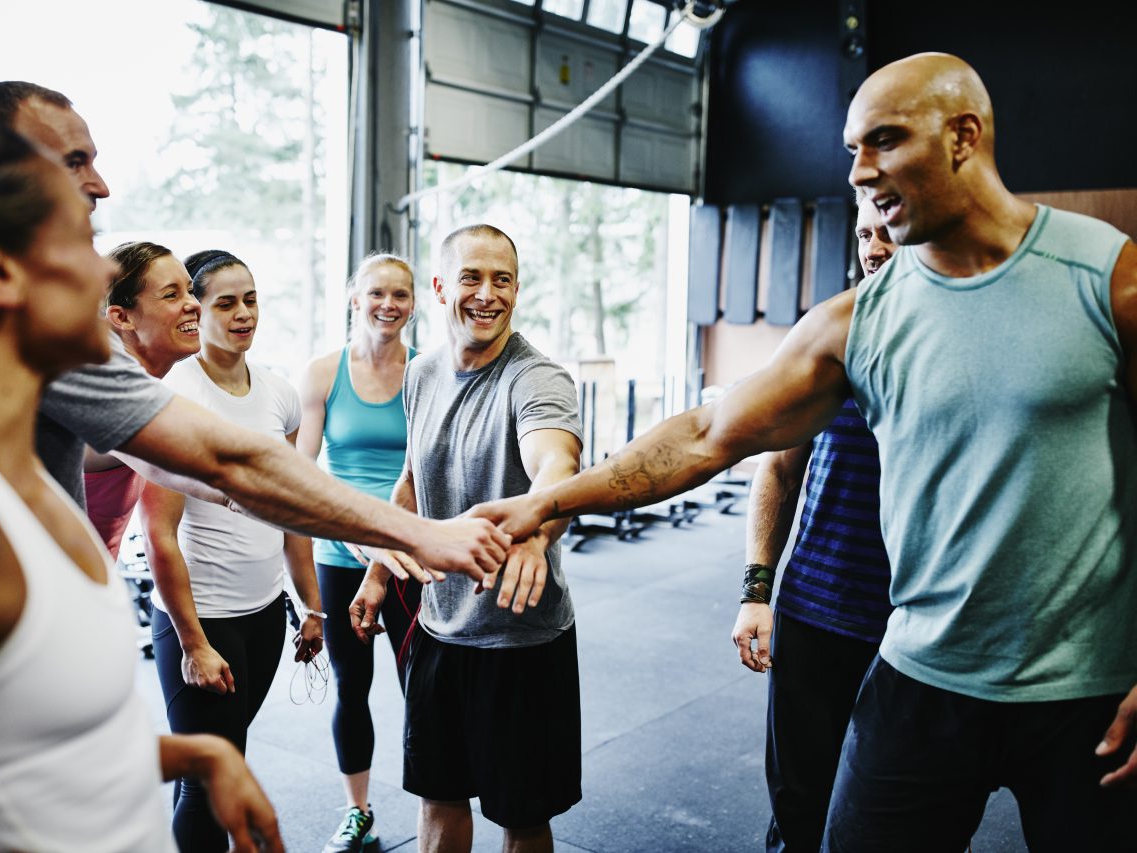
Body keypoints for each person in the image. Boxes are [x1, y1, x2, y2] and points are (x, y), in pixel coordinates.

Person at [471, 53, 1137, 850]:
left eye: (882, 142)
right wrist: (549, 501)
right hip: (921, 675)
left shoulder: (1106, 278)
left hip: (1085, 693)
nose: (859, 173)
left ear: (965, 136)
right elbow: (708, 435)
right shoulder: (856, 322)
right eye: (852, 149)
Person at [0, 80, 511, 579]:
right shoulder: (18, 329)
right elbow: (225, 461)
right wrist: (414, 532)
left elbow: (202, 468)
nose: (102, 188)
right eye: (75, 163)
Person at [0, 112, 282, 852]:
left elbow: (8, 757)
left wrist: (194, 752)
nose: (97, 275)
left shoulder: (11, 472)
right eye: (82, 245)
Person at [350, 225, 583, 853]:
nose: (487, 295)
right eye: (471, 278)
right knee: (440, 799)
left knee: (522, 816)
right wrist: (378, 572)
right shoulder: (422, 373)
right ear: (439, 288)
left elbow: (557, 468)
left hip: (521, 639)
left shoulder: (537, 380)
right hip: (438, 630)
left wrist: (538, 530)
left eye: (502, 280)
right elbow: (412, 481)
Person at [137, 249, 324, 851]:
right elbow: (158, 533)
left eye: (250, 300)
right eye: (225, 303)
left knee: (219, 754)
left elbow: (292, 510)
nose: (243, 314)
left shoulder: (279, 394)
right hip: (202, 619)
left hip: (265, 614)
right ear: (197, 310)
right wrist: (192, 643)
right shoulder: (174, 395)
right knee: (211, 775)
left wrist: (311, 605)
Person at [730, 188, 896, 853]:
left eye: (888, 229)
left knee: (910, 815)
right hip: (817, 613)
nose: (875, 246)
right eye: (863, 234)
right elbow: (775, 468)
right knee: (800, 811)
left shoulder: (973, 345)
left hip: (920, 627)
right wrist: (756, 591)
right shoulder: (831, 336)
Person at [296, 253, 419, 853]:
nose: (388, 304)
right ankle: (358, 811)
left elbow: (428, 475)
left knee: (423, 686)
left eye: (400, 294)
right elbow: (305, 477)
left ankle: (437, 802)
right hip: (339, 559)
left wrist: (386, 549)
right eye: (376, 293)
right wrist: (354, 541)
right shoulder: (323, 374)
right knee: (352, 686)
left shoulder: (429, 373)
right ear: (354, 298)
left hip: (412, 555)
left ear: (415, 303)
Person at [84, 241, 202, 559]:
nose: (193, 304)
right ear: (122, 317)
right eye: (171, 294)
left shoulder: (144, 386)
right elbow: (221, 475)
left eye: (190, 291)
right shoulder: (110, 396)